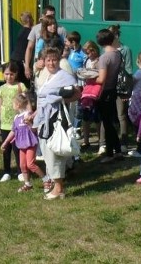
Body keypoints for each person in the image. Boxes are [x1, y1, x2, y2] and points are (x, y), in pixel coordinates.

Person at [31, 46, 78, 200]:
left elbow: (78, 93)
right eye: (48, 60)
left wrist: (61, 99)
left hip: (55, 119)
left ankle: (59, 188)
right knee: (46, 151)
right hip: (44, 118)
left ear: (59, 60)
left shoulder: (64, 76)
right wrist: (34, 114)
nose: (51, 63)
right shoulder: (47, 76)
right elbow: (44, 99)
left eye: (54, 60)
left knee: (53, 152)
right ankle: (56, 184)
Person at [1, 93, 48, 193]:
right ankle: (27, 184)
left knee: (30, 164)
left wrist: (30, 123)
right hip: (21, 144)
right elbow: (13, 131)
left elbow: (34, 129)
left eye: (13, 103)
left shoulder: (27, 115)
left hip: (30, 142)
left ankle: (46, 180)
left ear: (18, 104)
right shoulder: (16, 118)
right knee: (22, 165)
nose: (12, 105)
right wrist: (6, 142)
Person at [95, 29, 124, 163]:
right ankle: (117, 150)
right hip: (113, 90)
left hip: (104, 92)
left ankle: (110, 153)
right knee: (111, 122)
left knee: (107, 124)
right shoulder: (117, 54)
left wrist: (89, 78)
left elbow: (101, 79)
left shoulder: (104, 57)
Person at [0, 61, 26, 182]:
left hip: (17, 122)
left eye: (12, 74)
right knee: (6, 148)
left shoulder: (20, 86)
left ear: (16, 74)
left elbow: (26, 102)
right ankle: (6, 171)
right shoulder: (1, 88)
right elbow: (0, 105)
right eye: (7, 74)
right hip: (5, 122)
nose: (9, 77)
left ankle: (20, 171)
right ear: (3, 74)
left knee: (17, 147)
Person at [24, 5, 67, 81]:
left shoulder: (61, 31)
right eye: (49, 15)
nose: (52, 26)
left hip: (57, 65)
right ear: (44, 16)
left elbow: (65, 47)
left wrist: (65, 53)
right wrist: (28, 66)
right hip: (43, 64)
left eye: (53, 15)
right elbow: (30, 48)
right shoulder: (36, 30)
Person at [108, 24, 132, 153]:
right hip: (109, 85)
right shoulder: (106, 49)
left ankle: (124, 142)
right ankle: (107, 142)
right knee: (108, 115)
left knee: (121, 115)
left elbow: (128, 69)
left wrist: (127, 91)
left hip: (120, 86)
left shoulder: (125, 50)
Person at [10, 12, 34, 88]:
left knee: (16, 82)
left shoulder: (22, 30)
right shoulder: (29, 32)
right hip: (21, 61)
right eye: (32, 18)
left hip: (14, 58)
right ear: (29, 20)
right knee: (24, 84)